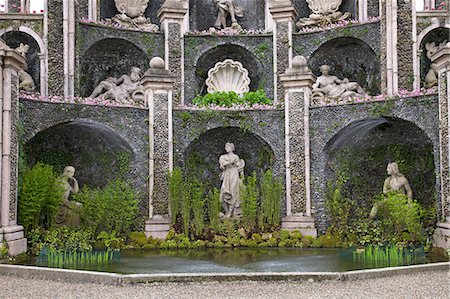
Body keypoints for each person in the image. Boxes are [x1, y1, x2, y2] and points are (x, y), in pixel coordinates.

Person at [219, 142, 245, 218]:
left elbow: (240, 168)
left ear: (232, 148)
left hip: (234, 173)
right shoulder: (222, 157)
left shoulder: (236, 156)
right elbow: (222, 165)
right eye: (225, 146)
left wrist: (242, 178)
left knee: (233, 192)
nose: (226, 148)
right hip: (227, 174)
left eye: (228, 146)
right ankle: (227, 212)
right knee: (223, 194)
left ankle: (231, 212)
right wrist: (231, 162)